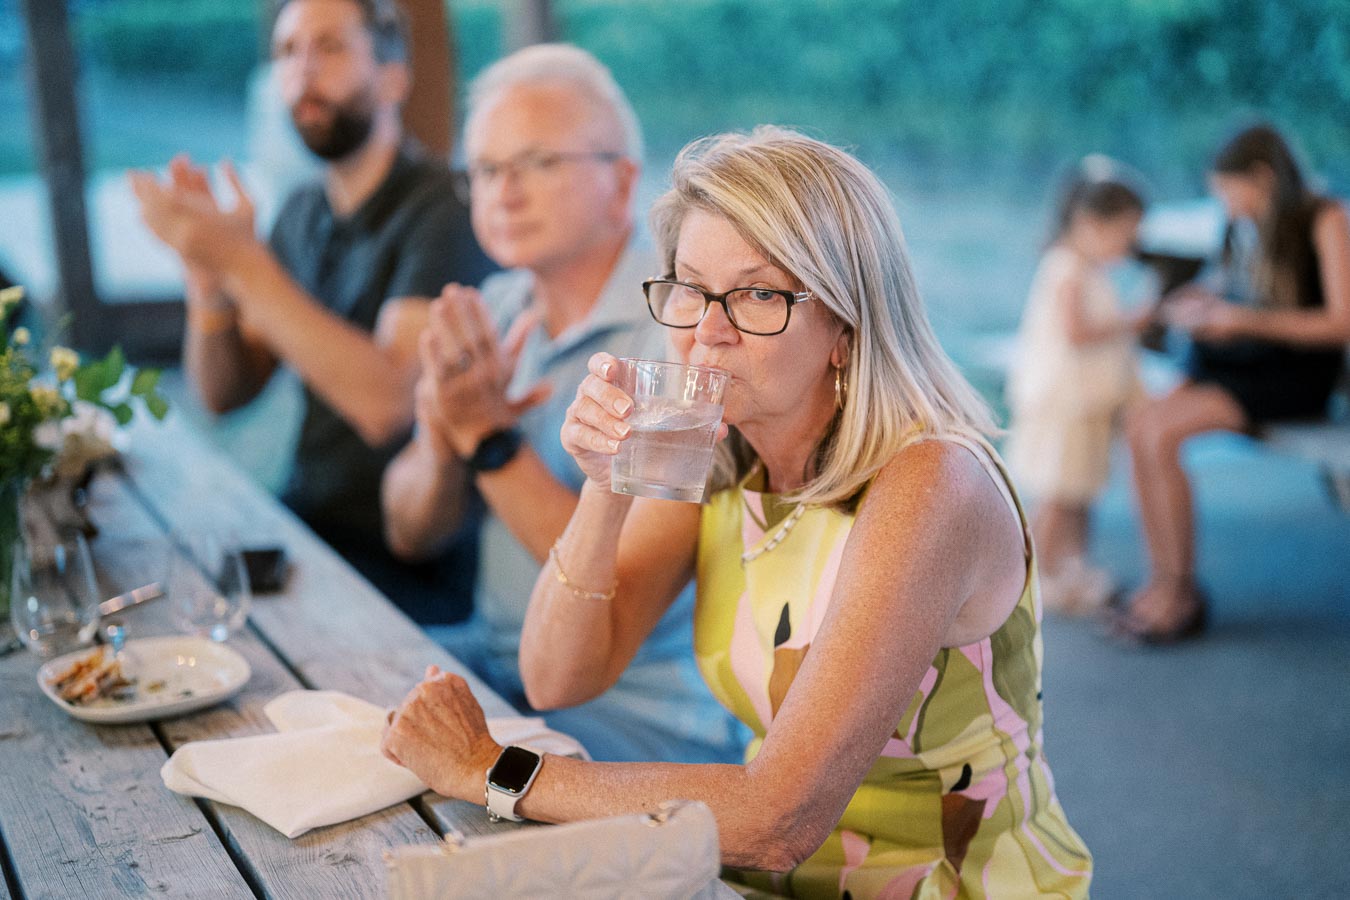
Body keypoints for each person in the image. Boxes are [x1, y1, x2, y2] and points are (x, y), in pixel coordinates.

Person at [381, 127, 1093, 898]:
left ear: (844, 332)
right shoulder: (727, 461)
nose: (705, 330)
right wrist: (607, 483)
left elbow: (776, 820)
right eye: (690, 286)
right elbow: (557, 675)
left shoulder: (931, 484)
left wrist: (491, 770)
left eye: (757, 293)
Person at [379, 44, 744, 764]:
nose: (503, 191)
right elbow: (409, 531)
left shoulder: (685, 327)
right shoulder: (493, 307)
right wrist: (440, 437)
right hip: (494, 674)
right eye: (484, 169)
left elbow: (609, 585)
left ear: (622, 183)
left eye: (539, 162)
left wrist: (488, 439)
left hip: (637, 717)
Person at [128, 0, 494, 622]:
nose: (302, 71)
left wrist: (243, 263)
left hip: (404, 575)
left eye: (329, 47)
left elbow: (386, 404)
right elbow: (225, 392)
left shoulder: (445, 209)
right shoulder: (300, 212)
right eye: (288, 51)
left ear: (393, 76)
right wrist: (210, 281)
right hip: (303, 535)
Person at [1121, 124, 1350, 643]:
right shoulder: (1241, 225)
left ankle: (1181, 593)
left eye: (1229, 188)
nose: (1224, 201)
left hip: (1294, 371)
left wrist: (1244, 322)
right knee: (1139, 424)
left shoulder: (1324, 217)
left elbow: (1341, 322)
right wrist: (1199, 305)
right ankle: (1161, 580)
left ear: (1263, 178)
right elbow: (1229, 284)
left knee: (1161, 434)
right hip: (1248, 361)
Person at [1004, 156, 1152, 614]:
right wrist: (1133, 320)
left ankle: (1074, 566)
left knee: (1082, 489)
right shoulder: (1065, 267)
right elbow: (1076, 331)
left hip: (1088, 404)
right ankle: (1043, 574)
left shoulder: (1088, 270)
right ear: (1091, 224)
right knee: (1059, 492)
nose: (1129, 249)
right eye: (1124, 236)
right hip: (1064, 405)